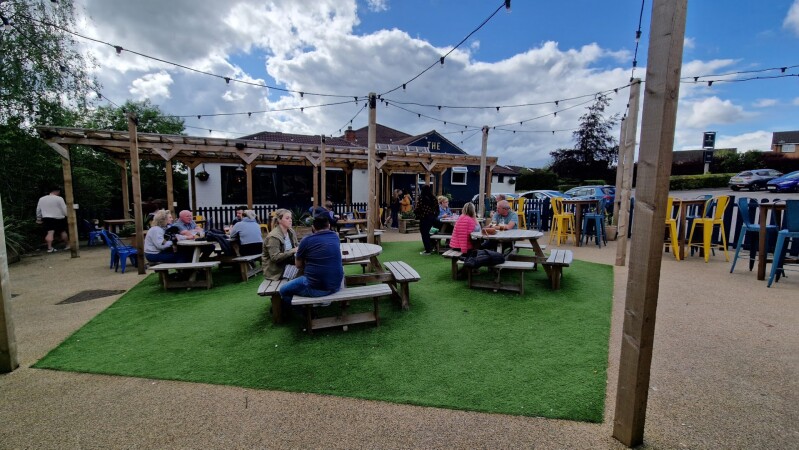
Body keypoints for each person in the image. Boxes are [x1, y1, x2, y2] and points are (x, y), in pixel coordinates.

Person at [278, 215, 344, 314]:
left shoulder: (306, 240)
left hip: (316, 288)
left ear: (313, 227)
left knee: (283, 290)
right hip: (336, 286)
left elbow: (298, 265)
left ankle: (305, 313)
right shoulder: (335, 236)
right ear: (329, 226)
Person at [263, 209, 299, 281]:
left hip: (289, 263)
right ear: (279, 220)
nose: (290, 220)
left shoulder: (291, 231)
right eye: (287, 218)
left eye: (291, 218)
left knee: (310, 266)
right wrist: (292, 251)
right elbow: (275, 257)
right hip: (277, 271)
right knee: (304, 273)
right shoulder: (273, 237)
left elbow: (296, 246)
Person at [36, 187, 68, 253]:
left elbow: (38, 209)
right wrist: (67, 215)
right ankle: (67, 245)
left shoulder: (42, 199)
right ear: (57, 191)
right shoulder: (59, 198)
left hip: (47, 218)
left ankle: (49, 248)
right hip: (59, 217)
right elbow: (64, 208)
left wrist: (38, 218)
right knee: (62, 231)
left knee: (50, 232)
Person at [415, 185, 441, 255]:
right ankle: (433, 245)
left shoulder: (421, 198)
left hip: (424, 218)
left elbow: (418, 208)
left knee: (425, 234)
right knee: (430, 232)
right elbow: (437, 209)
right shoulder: (434, 198)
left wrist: (417, 214)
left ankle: (428, 250)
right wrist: (435, 215)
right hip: (433, 217)